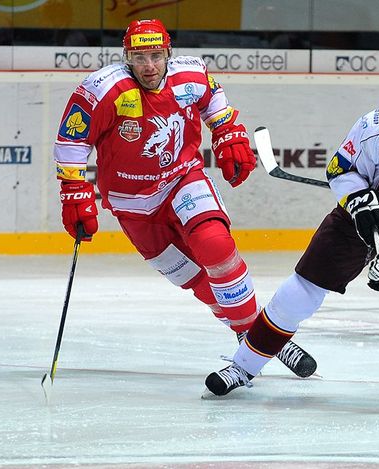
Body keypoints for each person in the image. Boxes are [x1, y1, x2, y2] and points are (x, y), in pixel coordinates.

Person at [53, 19, 316, 378]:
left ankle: (258, 340)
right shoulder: (103, 88)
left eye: (156, 56)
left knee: (215, 244)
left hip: (182, 178)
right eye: (140, 57)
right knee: (198, 282)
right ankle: (257, 334)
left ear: (168, 53)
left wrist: (227, 133)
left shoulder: (190, 75)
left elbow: (215, 103)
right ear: (126, 56)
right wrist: (74, 193)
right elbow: (71, 142)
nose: (149, 66)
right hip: (132, 205)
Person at [204, 71, 379, 410]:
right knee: (299, 293)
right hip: (356, 221)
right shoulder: (377, 126)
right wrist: (359, 200)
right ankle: (242, 367)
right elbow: (340, 169)